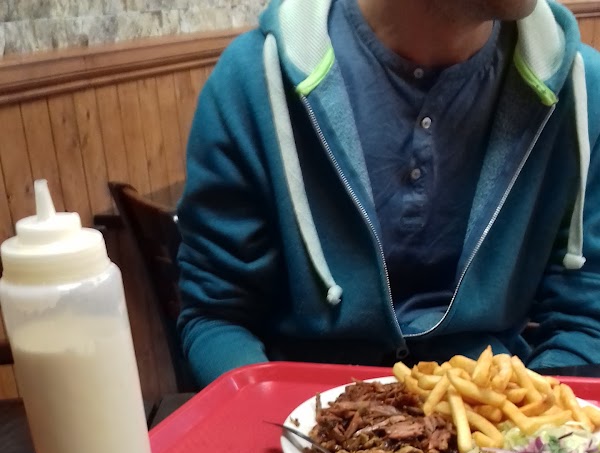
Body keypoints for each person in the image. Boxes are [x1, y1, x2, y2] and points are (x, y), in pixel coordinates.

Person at [177, 0, 600, 389]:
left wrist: (536, 435)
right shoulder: (251, 82)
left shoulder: (584, 92)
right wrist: (275, 428)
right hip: (297, 421)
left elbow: (585, 320)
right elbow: (216, 317)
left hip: (494, 427)